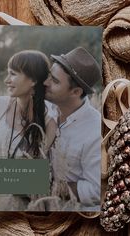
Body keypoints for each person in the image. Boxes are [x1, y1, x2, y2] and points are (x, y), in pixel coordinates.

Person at [0, 50, 57, 211]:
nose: (6, 80)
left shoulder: (48, 123)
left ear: (33, 80)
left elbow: (36, 180)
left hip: (22, 212)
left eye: (13, 74)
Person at [44, 47, 101, 211]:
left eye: (55, 81)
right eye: (49, 75)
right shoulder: (45, 106)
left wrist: (51, 188)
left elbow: (96, 189)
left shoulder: (95, 132)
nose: (45, 83)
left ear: (75, 92)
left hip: (66, 210)